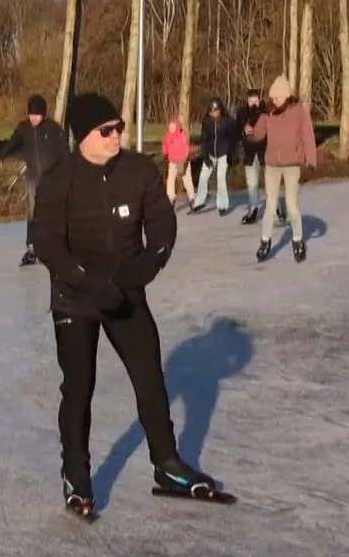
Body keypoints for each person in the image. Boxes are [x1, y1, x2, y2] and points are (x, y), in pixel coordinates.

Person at [30, 92, 225, 518]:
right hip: (76, 298)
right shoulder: (58, 180)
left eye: (119, 127)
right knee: (79, 386)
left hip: (127, 294)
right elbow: (46, 243)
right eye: (107, 130)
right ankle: (76, 476)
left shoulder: (137, 170)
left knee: (149, 377)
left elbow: (161, 223)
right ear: (84, 135)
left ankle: (167, 464)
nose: (117, 134)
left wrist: (144, 268)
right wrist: (85, 281)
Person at [249, 75, 317, 263]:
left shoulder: (299, 112)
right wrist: (251, 132)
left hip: (292, 165)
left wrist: (310, 159)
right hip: (272, 165)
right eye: (272, 98)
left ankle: (297, 241)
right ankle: (265, 242)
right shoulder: (269, 114)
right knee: (270, 205)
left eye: (276, 97)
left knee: (292, 206)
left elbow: (308, 135)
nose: (273, 100)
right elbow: (258, 135)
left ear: (285, 95)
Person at [0, 94, 69, 267]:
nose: (33, 118)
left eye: (37, 115)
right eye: (31, 115)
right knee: (32, 212)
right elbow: (13, 141)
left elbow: (64, 151)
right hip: (33, 178)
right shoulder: (24, 128)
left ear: (43, 114)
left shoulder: (53, 129)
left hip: (52, 178)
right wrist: (2, 154)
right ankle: (32, 247)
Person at [191, 98, 237, 215]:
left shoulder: (228, 121)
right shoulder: (207, 122)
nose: (214, 114)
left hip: (223, 153)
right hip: (211, 153)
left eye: (216, 111)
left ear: (220, 110)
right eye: (211, 112)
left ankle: (222, 205)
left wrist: (231, 154)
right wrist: (205, 156)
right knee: (203, 176)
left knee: (220, 178)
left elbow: (233, 139)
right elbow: (204, 139)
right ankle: (199, 202)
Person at [236, 89, 273, 226]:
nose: (253, 103)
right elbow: (237, 129)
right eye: (250, 100)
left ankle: (277, 209)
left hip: (266, 151)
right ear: (247, 100)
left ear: (260, 99)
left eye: (255, 100)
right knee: (252, 184)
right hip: (250, 152)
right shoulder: (242, 113)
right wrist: (243, 130)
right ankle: (253, 209)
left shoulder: (266, 112)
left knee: (271, 183)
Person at [162, 117, 191, 205]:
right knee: (170, 180)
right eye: (170, 125)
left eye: (173, 125)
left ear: (176, 126)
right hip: (172, 161)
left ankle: (192, 198)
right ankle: (171, 197)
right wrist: (164, 154)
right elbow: (165, 148)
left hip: (183, 161)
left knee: (187, 180)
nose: (171, 127)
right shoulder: (167, 137)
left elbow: (185, 131)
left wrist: (182, 120)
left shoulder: (181, 134)